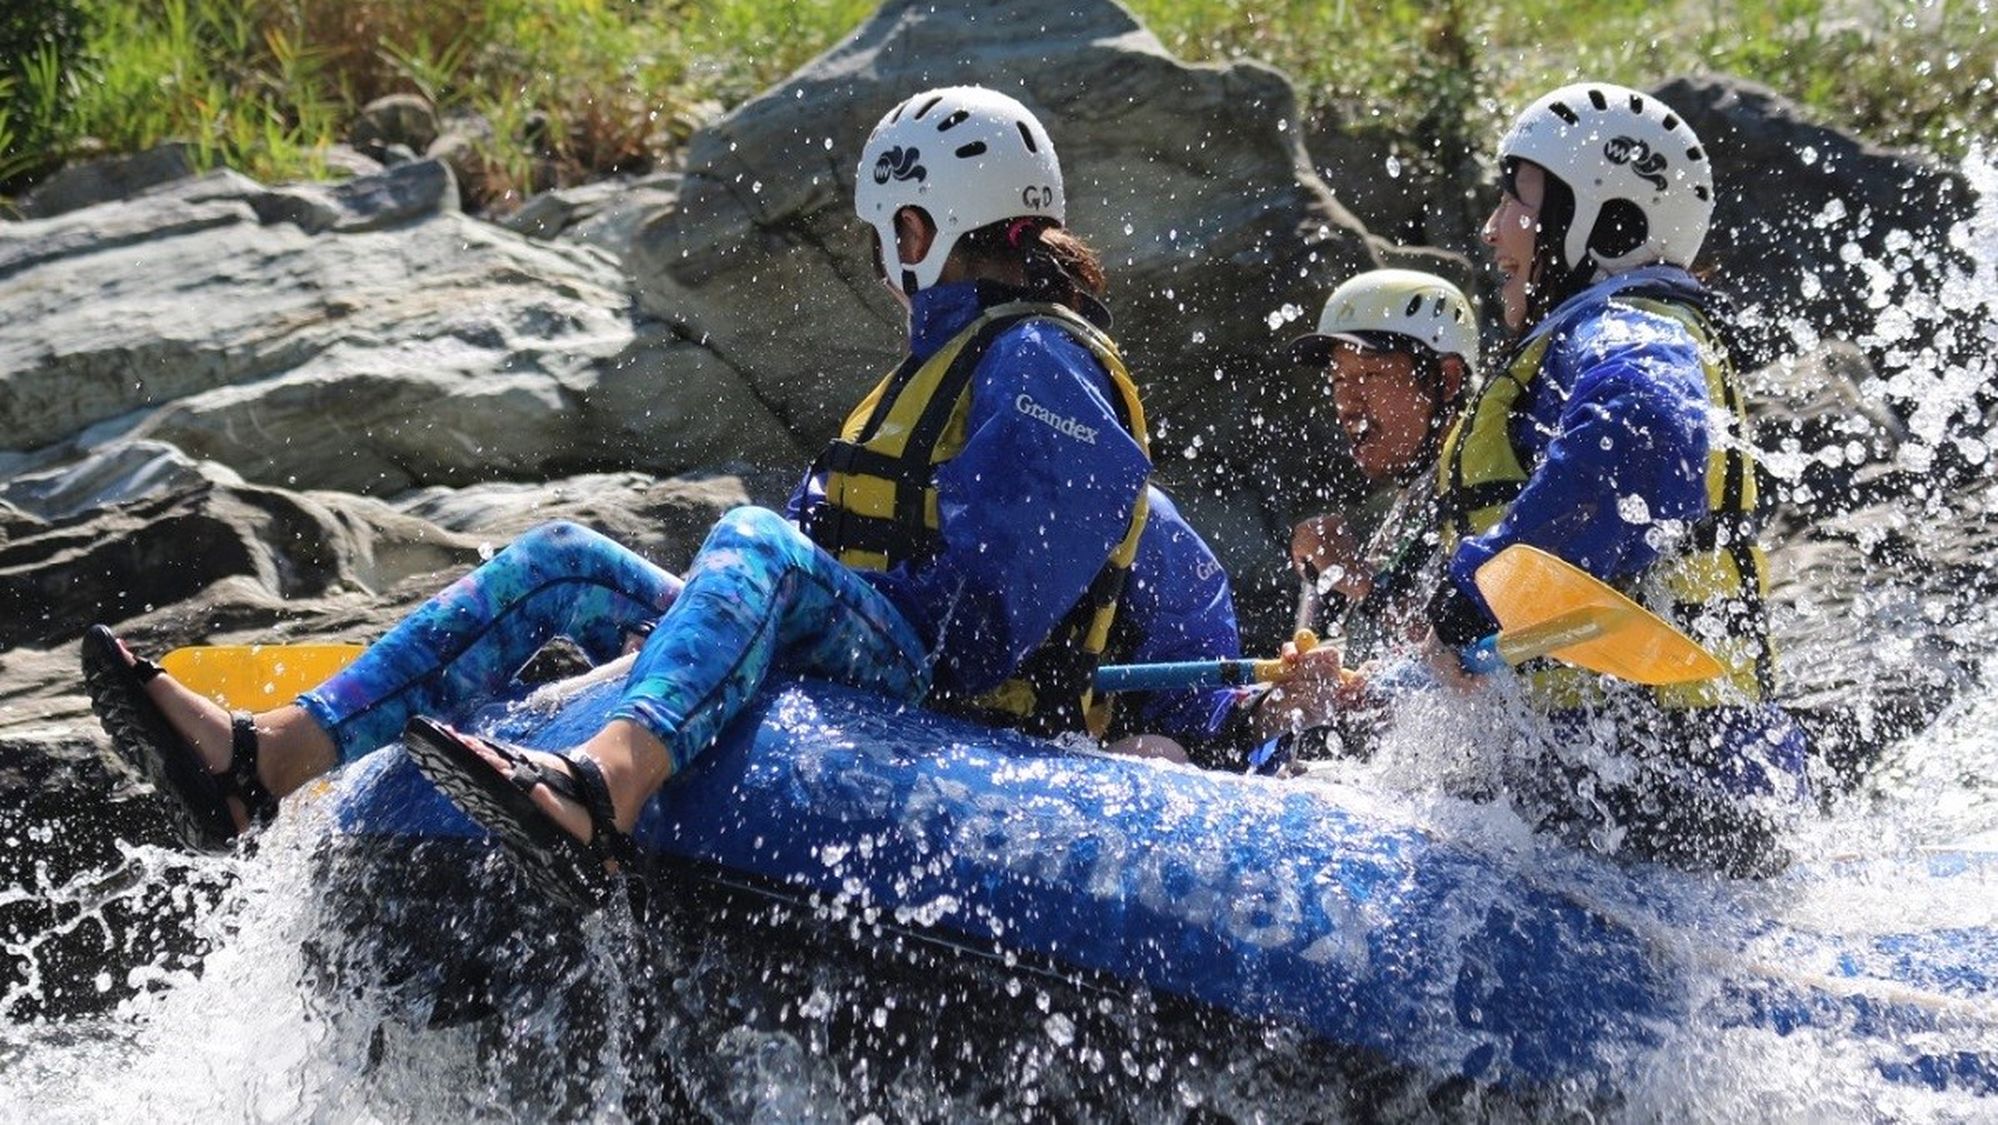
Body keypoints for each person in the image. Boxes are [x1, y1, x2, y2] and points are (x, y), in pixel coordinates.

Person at [82, 85, 1243, 908]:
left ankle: (603, 791)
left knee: (752, 545)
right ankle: (263, 760)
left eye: (888, 237)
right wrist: (764, 616)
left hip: (945, 693)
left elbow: (982, 627)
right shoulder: (942, 364)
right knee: (566, 561)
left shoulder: (1043, 364)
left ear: (920, 225)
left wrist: (799, 606)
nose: (887, 263)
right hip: (865, 653)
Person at [1266, 84, 1809, 876]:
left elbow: (1646, 433)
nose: (1491, 230)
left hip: (1668, 781)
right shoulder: (1592, 338)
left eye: (1516, 198)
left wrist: (1484, 582)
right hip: (1642, 775)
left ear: (1607, 219)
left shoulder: (1630, 327)